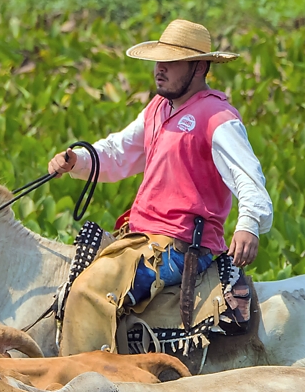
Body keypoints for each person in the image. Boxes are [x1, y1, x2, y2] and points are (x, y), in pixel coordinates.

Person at [50, 19, 273, 353]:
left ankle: (89, 386)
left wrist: (249, 224)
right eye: (158, 61)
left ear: (199, 67)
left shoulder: (217, 116)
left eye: (171, 63)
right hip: (142, 237)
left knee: (87, 292)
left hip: (181, 245)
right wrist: (77, 161)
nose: (159, 69)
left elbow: (249, 176)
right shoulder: (158, 108)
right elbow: (118, 151)